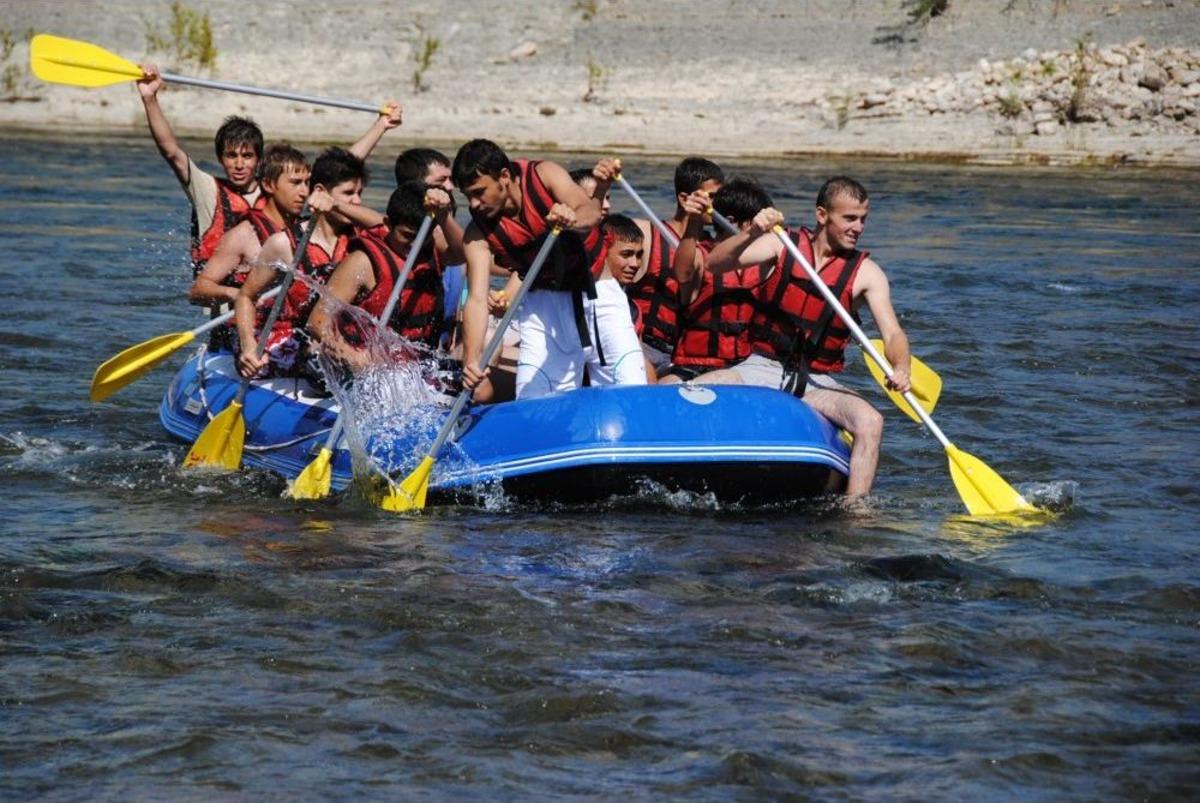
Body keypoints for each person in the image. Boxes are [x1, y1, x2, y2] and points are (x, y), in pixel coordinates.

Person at [705, 176, 912, 498]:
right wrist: (752, 232)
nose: (858, 227)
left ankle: (856, 510)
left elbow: (893, 333)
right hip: (762, 367)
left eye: (863, 219)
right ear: (821, 215)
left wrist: (902, 366)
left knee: (871, 422)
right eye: (849, 218)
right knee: (695, 390)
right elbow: (714, 264)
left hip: (817, 382)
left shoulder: (867, 273)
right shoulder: (780, 244)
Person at [136, 63, 401, 276]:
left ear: (259, 160)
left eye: (247, 156)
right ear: (220, 158)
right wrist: (150, 98)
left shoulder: (282, 190)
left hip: (274, 289)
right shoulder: (207, 190)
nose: (239, 164)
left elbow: (338, 171)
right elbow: (171, 151)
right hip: (225, 296)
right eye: (231, 156)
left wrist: (381, 126)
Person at [452, 139, 606, 400]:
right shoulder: (477, 232)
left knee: (625, 382)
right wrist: (471, 361)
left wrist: (572, 219)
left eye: (479, 192)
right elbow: (476, 299)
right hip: (543, 302)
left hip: (596, 292)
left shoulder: (545, 174)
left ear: (504, 176)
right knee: (531, 397)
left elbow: (591, 210)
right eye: (468, 196)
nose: (474, 204)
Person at [232, 147, 379, 381]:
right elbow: (246, 297)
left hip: (334, 339)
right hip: (290, 340)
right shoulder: (283, 243)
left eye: (360, 193)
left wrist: (338, 204)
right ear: (320, 192)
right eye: (349, 193)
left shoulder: (360, 239)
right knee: (317, 366)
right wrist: (248, 346)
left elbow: (386, 224)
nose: (357, 201)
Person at [589, 157, 725, 378]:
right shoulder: (647, 233)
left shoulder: (718, 250)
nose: (718, 204)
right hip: (644, 346)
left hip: (687, 356)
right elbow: (591, 234)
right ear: (684, 199)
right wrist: (601, 187)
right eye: (712, 197)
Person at [305, 180, 459, 372]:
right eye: (407, 235)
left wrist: (444, 215)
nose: (415, 245)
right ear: (388, 225)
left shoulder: (434, 249)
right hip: (364, 368)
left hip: (416, 369)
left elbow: (464, 252)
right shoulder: (363, 262)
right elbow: (317, 321)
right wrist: (354, 358)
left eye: (422, 238)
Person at [664, 177, 776, 384]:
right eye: (757, 225)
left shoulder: (764, 264)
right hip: (693, 367)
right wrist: (693, 221)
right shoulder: (700, 256)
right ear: (731, 221)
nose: (764, 233)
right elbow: (682, 274)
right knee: (667, 383)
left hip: (746, 368)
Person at [570, 167, 646, 386]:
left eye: (607, 197)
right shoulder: (553, 235)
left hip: (604, 310)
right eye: (596, 197)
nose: (606, 205)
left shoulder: (611, 233)